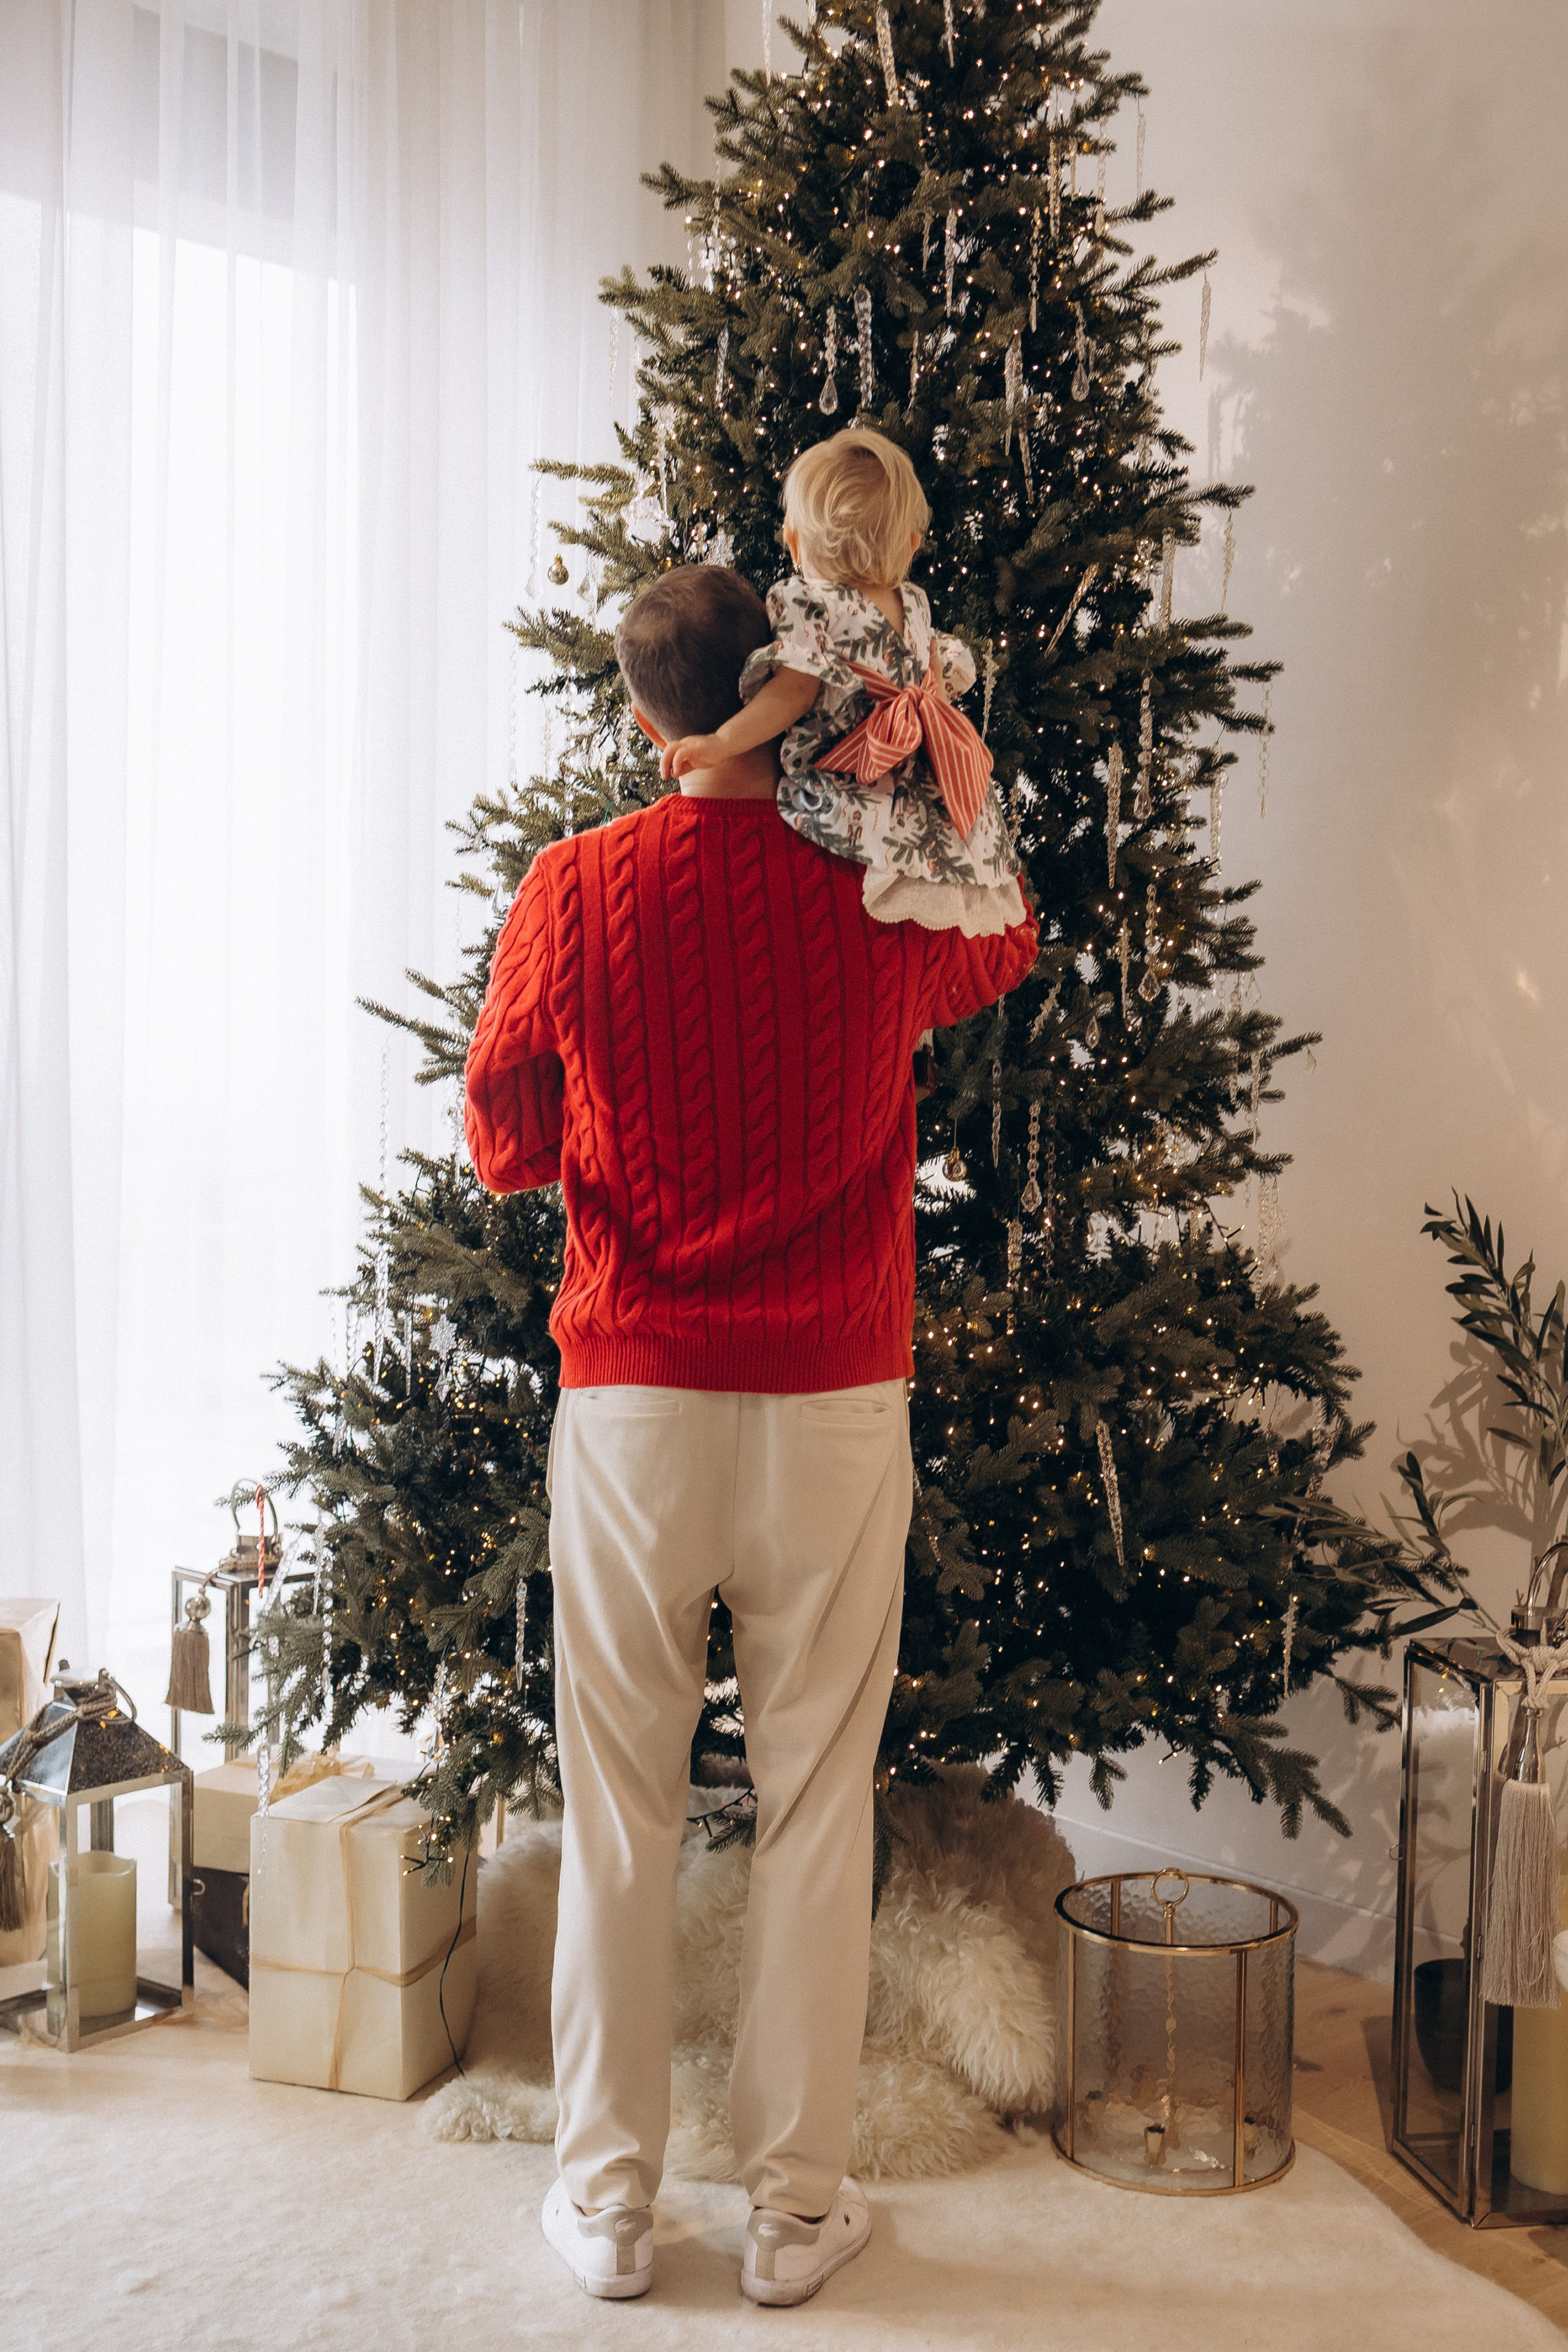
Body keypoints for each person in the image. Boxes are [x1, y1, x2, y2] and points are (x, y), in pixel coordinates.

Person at [464, 561, 1037, 2308]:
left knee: (623, 1805)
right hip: (832, 1397)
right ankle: (796, 2210)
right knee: (814, 1800)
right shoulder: (871, 888)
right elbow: (1003, 935)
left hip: (637, 1397)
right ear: (779, 681)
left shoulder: (572, 886)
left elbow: (503, 1139)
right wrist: (913, 735)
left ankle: (612, 2202)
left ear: (640, 712)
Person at [658, 428, 1025, 939]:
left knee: (831, 907)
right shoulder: (914, 601)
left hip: (852, 779)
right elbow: (932, 687)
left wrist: (722, 742)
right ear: (912, 545)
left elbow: (793, 693)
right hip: (927, 779)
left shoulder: (806, 601)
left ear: (793, 541)